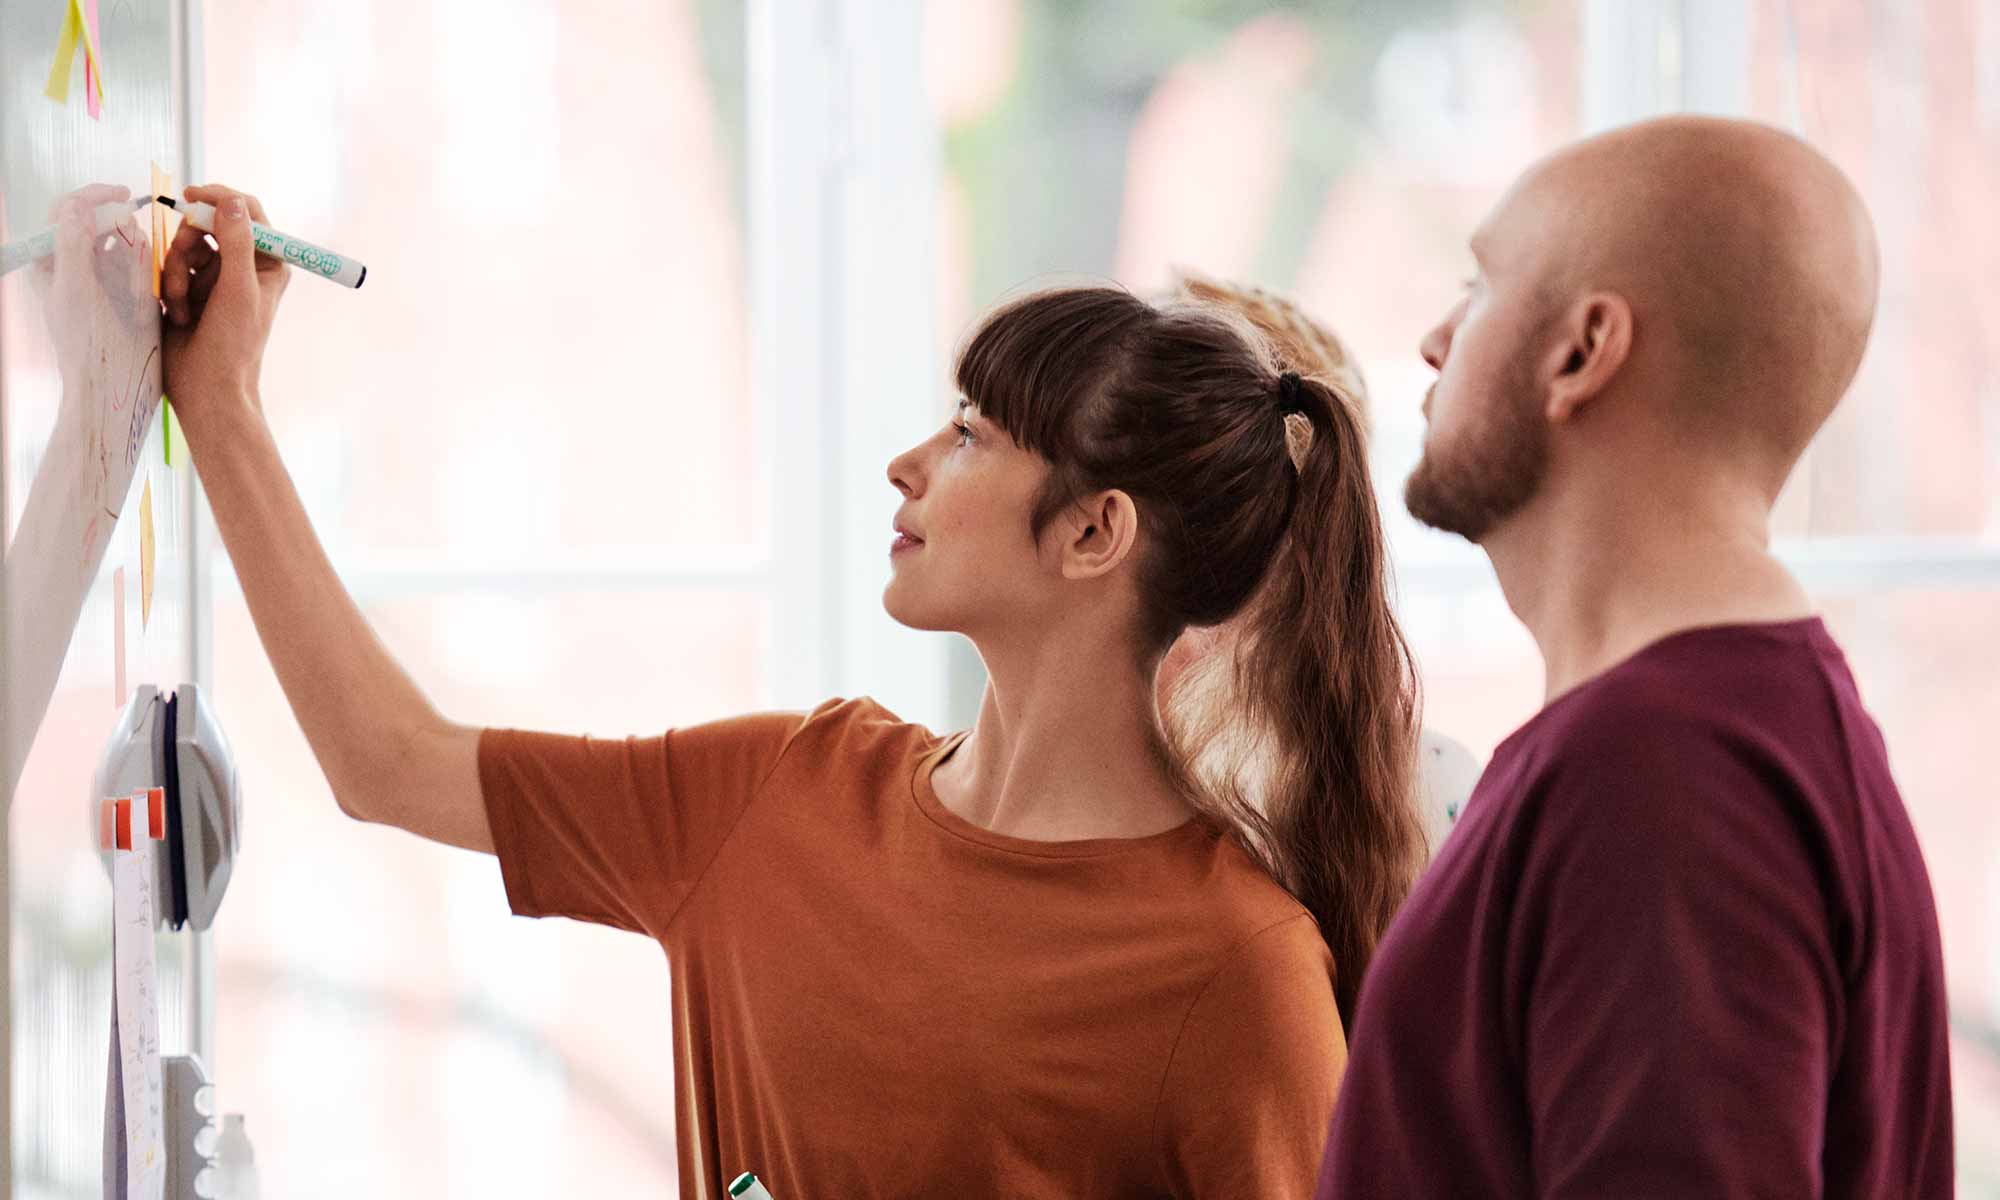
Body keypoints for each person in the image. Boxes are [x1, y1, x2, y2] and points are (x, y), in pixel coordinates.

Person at [160, 188, 1422, 1198]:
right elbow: (388, 763)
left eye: (973, 433)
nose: (907, 462)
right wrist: (221, 407)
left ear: (1094, 533)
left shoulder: (1238, 974)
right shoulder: (778, 791)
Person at [1314, 115, 1954, 1197]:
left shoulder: (1661, 774)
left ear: (1579, 351)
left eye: (1478, 287)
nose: (1431, 339)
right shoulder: (1705, 739)